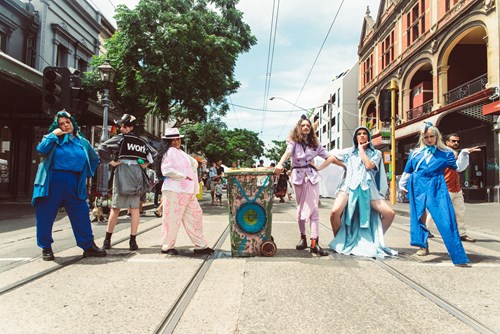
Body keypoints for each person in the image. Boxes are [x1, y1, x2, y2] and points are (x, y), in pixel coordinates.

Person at [32, 110, 106, 261]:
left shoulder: (82, 142)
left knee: (82, 213)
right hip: (52, 181)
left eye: (67, 122)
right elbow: (41, 149)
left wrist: (86, 174)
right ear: (57, 126)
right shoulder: (54, 139)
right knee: (45, 215)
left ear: (72, 123)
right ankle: (46, 247)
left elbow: (94, 159)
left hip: (75, 182)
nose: (65, 126)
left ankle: (88, 246)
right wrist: (54, 134)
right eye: (61, 124)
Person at [399, 122, 470, 266]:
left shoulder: (446, 153)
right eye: (426, 137)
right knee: (418, 216)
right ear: (422, 138)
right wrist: (402, 183)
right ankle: (422, 245)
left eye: (431, 136)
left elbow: (458, 168)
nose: (429, 139)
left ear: (437, 136)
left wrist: (463, 154)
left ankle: (458, 256)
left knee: (445, 218)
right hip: (417, 183)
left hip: (436, 184)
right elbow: (408, 170)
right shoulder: (415, 153)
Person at [275, 115, 343, 256]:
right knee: (300, 209)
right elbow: (287, 153)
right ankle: (303, 238)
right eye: (303, 125)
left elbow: (330, 157)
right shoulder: (293, 142)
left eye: (308, 126)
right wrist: (280, 163)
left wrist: (338, 165)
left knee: (314, 210)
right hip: (298, 177)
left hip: (312, 177)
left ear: (311, 129)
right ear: (299, 128)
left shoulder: (315, 145)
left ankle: (314, 242)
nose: (305, 127)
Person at [328, 126, 397, 258]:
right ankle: (339, 241)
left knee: (389, 213)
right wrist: (342, 164)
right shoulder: (348, 152)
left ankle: (374, 239)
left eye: (364, 133)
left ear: (368, 137)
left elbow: (368, 166)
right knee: (334, 212)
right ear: (355, 137)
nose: (362, 136)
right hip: (349, 187)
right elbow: (330, 156)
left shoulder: (376, 153)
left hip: (369, 189)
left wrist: (361, 149)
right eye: (359, 133)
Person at [98, 114, 157, 251]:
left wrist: (112, 162)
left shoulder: (121, 139)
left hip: (122, 171)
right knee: (135, 208)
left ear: (130, 127)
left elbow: (102, 148)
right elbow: (154, 155)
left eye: (124, 126)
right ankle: (133, 242)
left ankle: (107, 240)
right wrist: (144, 164)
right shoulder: (141, 141)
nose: (121, 128)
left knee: (116, 207)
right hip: (137, 173)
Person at [157, 128, 214, 255]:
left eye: (178, 138)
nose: (177, 141)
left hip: (185, 191)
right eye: (174, 139)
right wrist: (183, 176)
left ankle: (200, 245)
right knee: (173, 219)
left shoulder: (179, 152)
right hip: (175, 190)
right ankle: (167, 246)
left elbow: (193, 164)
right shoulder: (170, 152)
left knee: (195, 215)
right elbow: (166, 170)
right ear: (169, 141)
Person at [426, 133, 481, 242]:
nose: (456, 143)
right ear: (447, 142)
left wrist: (463, 154)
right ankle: (424, 230)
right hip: (445, 188)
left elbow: (458, 169)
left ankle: (462, 233)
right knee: (436, 211)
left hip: (456, 189)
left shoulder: (454, 154)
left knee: (460, 212)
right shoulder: (442, 154)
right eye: (453, 141)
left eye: (457, 141)